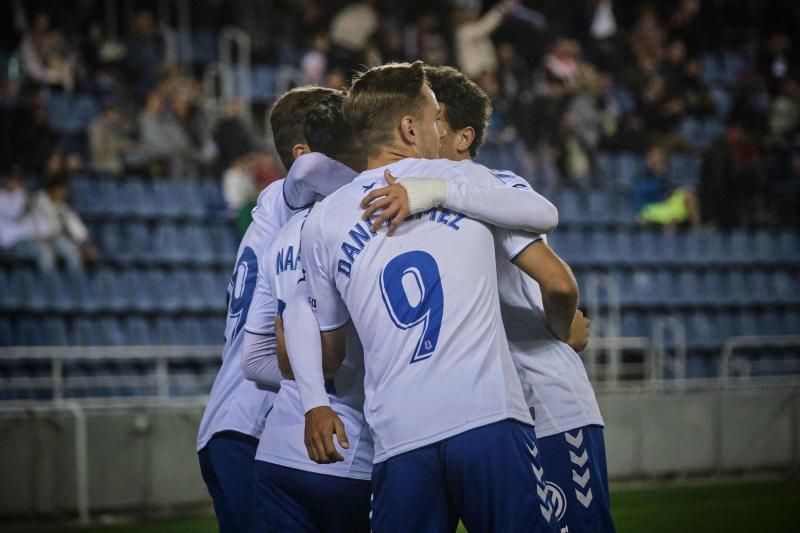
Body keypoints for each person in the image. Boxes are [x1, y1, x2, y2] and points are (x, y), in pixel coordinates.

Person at [299, 61, 560, 532]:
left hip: (400, 434)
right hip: (488, 418)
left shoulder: (322, 221)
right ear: (409, 126)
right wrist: (440, 189)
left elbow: (331, 346)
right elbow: (544, 214)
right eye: (436, 115)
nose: (440, 128)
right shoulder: (464, 179)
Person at [424, 65, 616, 533]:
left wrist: (560, 325)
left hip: (545, 402)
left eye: (431, 119)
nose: (414, 129)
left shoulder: (494, 187)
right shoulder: (421, 199)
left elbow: (558, 282)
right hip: (486, 415)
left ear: (462, 137)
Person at [196, 85, 343, 533]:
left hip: (236, 423)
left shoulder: (292, 219)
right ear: (300, 152)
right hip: (248, 423)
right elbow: (312, 170)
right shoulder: (282, 197)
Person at [242, 91, 373, 533]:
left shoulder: (281, 236)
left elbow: (255, 360)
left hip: (280, 448)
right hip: (345, 446)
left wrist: (298, 365)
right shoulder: (357, 224)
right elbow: (326, 347)